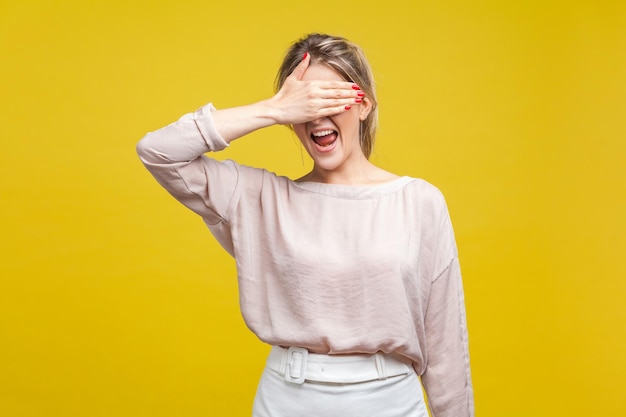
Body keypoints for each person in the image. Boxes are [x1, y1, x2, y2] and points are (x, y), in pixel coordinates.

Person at [137, 33, 474, 417]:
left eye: (330, 99)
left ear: (363, 105)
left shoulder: (418, 202)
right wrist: (272, 109)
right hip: (288, 401)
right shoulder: (260, 200)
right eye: (304, 104)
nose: (317, 117)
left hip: (391, 402)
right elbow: (158, 152)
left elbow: (447, 346)